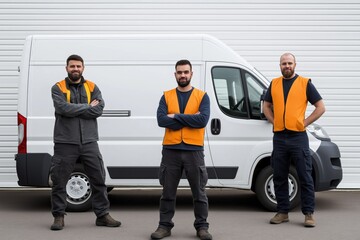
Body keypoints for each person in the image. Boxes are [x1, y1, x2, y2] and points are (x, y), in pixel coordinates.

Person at [49, 54, 121, 230]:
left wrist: (78, 109)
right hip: (65, 142)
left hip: (89, 141)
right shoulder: (58, 87)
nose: (75, 69)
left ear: (83, 68)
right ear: (66, 68)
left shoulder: (92, 87)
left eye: (78, 66)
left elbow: (99, 109)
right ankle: (59, 216)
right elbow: (62, 108)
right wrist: (88, 106)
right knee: (59, 180)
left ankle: (102, 215)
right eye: (72, 66)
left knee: (98, 179)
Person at [151, 60, 212, 240]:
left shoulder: (202, 96)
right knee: (168, 192)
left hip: (194, 151)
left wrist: (176, 116)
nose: (183, 75)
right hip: (171, 150)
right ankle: (164, 226)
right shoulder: (166, 96)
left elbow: (202, 121)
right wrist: (190, 118)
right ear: (175, 74)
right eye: (179, 72)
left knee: (199, 193)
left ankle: (202, 227)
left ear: (191, 74)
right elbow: (161, 120)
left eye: (186, 72)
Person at [263, 53, 325, 228]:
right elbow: (266, 106)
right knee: (279, 175)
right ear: (280, 65)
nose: (287, 66)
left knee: (305, 175)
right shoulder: (274, 83)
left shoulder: (305, 83)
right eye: (284, 63)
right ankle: (283, 212)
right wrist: (274, 121)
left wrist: (304, 123)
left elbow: (320, 107)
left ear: (295, 64)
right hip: (279, 137)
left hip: (298, 136)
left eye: (290, 63)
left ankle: (308, 214)